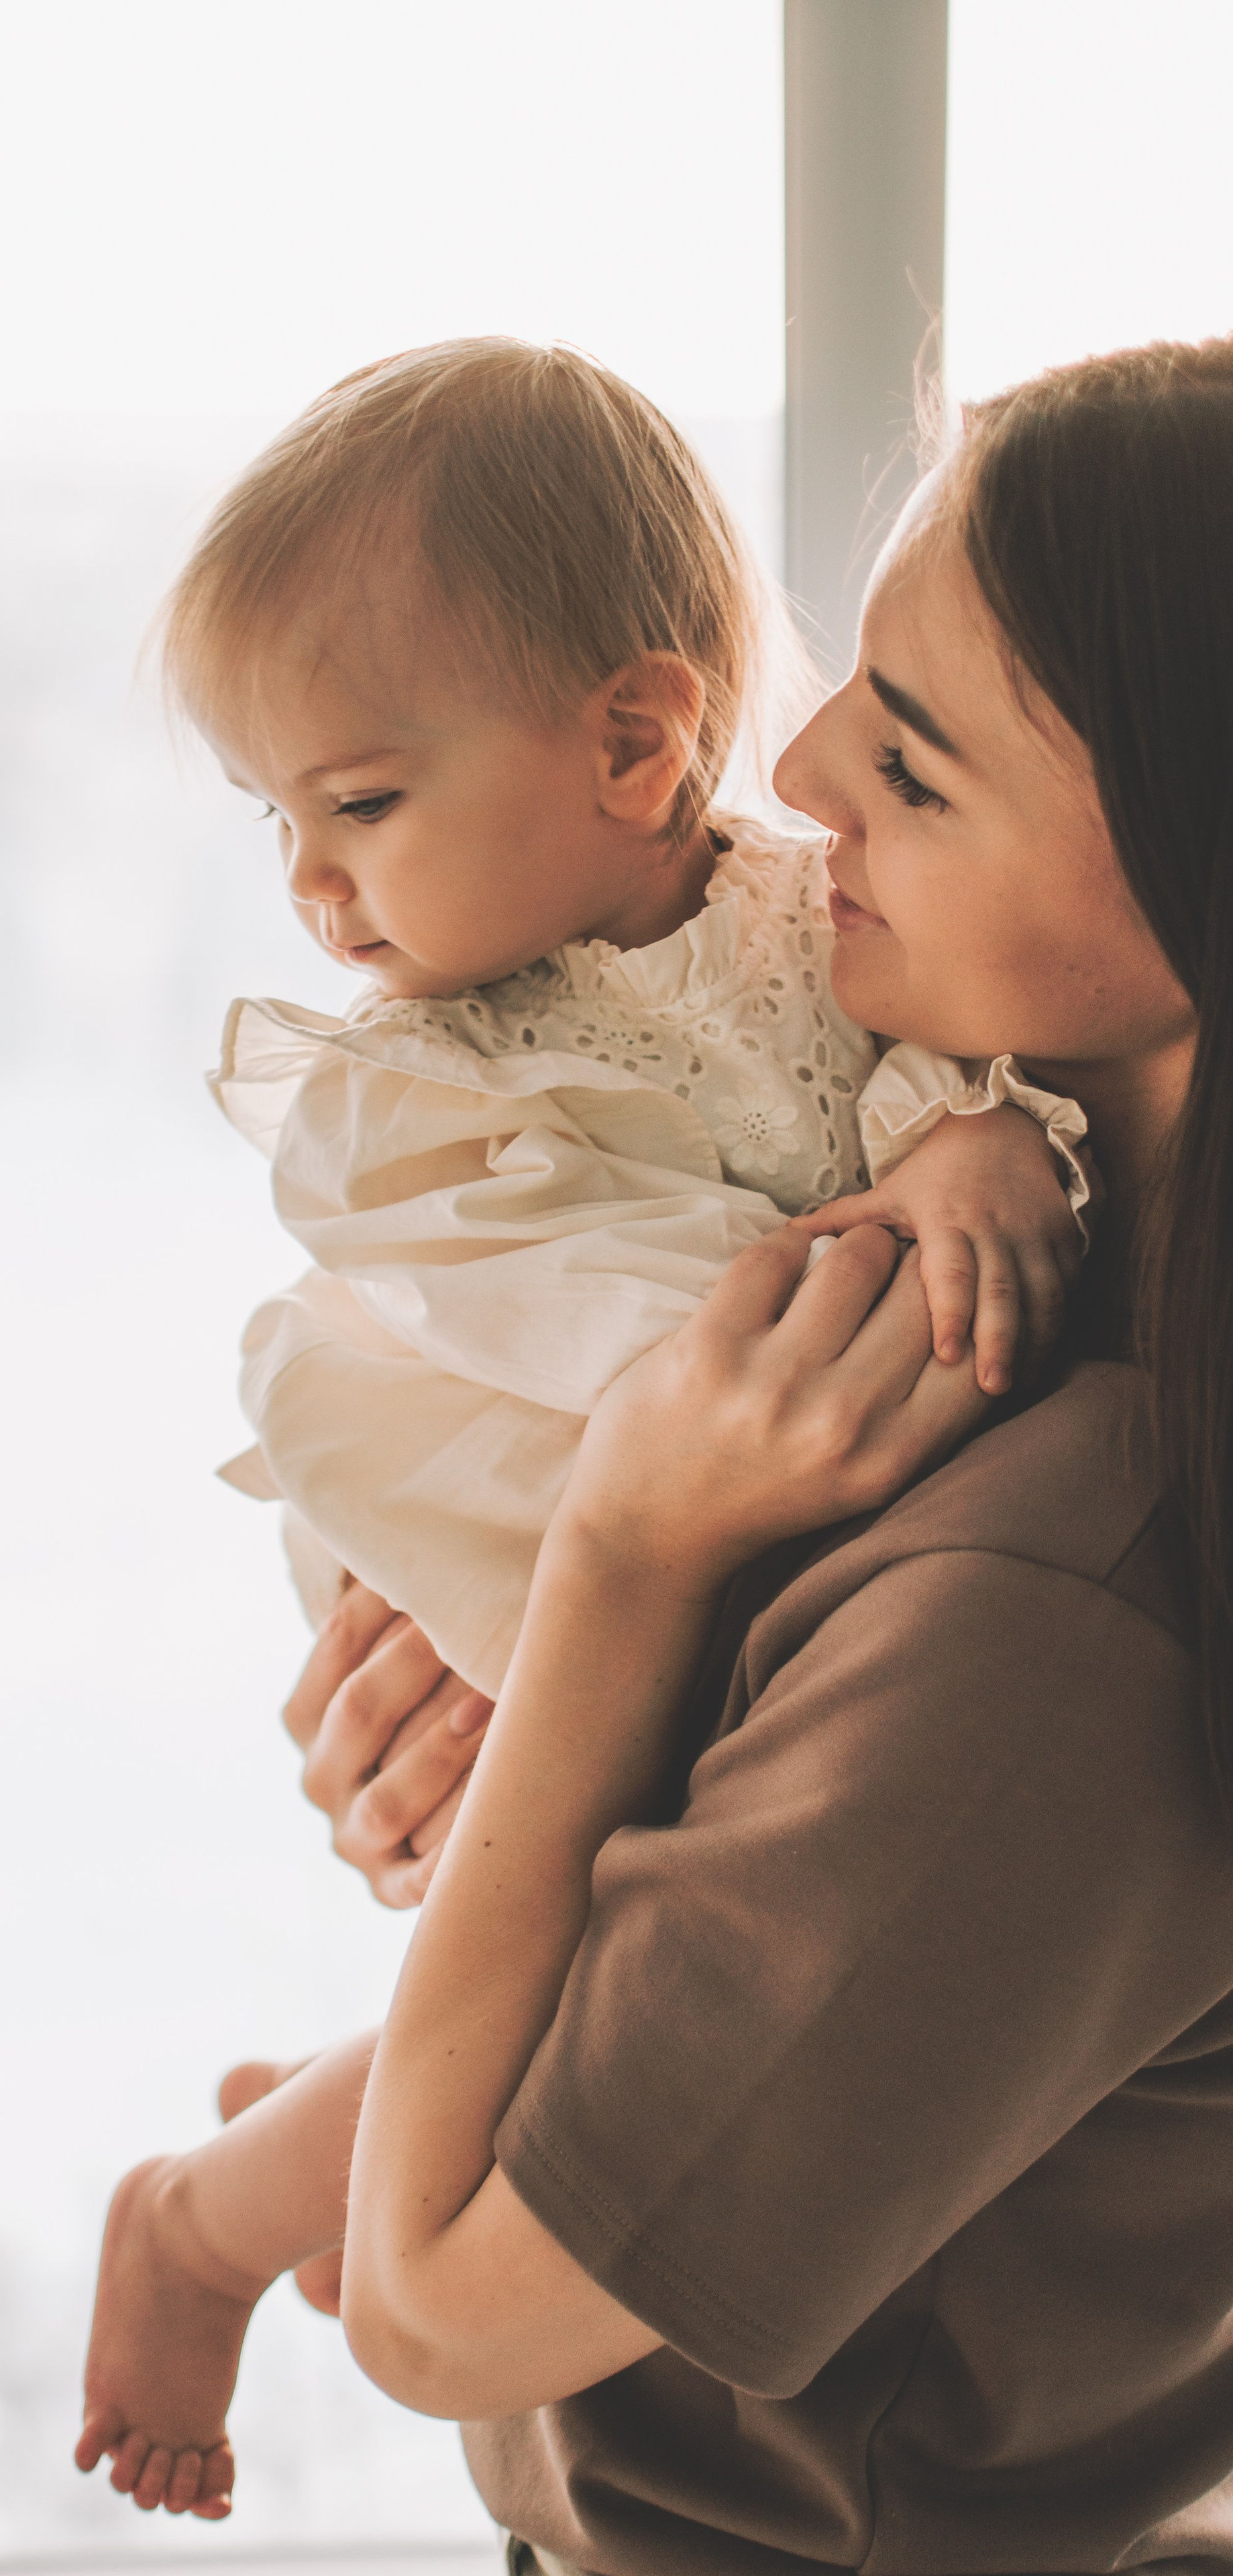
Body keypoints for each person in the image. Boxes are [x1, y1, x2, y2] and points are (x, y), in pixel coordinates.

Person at [74, 341, 1090, 2521]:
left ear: (636, 742)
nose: (314, 889)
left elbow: (937, 1086)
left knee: (602, 2011)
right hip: (536, 1507)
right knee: (569, 2003)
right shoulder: (413, 1087)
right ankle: (215, 2213)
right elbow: (680, 1368)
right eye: (280, 820)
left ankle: (262, 2178)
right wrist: (921, 1204)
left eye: (360, 806)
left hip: (726, 1514)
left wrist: (983, 1138)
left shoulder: (806, 911)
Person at [316, 335, 1230, 2575]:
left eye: (911, 760)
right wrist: (537, 1704)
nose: (799, 772)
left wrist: (622, 1554)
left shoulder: (1060, 1601)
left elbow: (434, 2312)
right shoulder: (1050, 1344)